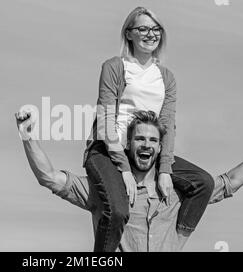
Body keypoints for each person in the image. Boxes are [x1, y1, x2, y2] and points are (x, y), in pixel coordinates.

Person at [15, 109, 243, 251]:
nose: (146, 144)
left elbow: (230, 182)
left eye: (153, 140)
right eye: (140, 138)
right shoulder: (108, 190)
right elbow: (49, 177)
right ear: (128, 144)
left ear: (161, 148)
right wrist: (28, 136)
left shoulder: (178, 193)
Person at [83, 7, 214, 251]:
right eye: (143, 28)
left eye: (156, 29)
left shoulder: (166, 77)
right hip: (108, 150)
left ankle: (174, 244)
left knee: (203, 183)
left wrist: (165, 169)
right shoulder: (114, 67)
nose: (150, 34)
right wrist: (122, 168)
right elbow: (105, 121)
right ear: (129, 33)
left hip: (145, 152)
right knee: (119, 211)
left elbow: (167, 126)